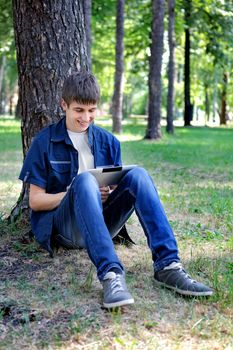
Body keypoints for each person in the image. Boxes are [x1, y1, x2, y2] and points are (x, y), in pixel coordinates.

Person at [19, 72, 213, 309]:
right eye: (79, 110)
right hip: (66, 229)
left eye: (91, 110)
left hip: (102, 222)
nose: (86, 117)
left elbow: (114, 187)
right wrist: (71, 193)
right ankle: (111, 274)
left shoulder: (108, 142)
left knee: (138, 175)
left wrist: (108, 194)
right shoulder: (44, 141)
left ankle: (168, 266)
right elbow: (36, 202)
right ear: (64, 105)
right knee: (83, 182)